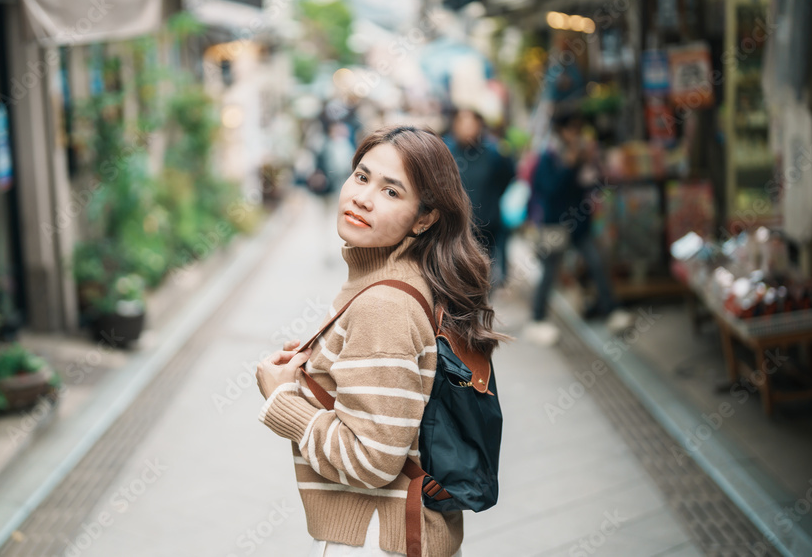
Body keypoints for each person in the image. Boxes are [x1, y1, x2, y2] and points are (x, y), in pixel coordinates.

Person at [255, 125, 510, 557]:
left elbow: (371, 460)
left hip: (380, 538)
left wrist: (282, 399)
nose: (363, 197)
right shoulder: (404, 279)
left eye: (392, 192)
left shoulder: (384, 304)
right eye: (361, 176)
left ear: (425, 217)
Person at [526, 109, 627, 344]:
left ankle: (611, 310)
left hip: (580, 224)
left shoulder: (583, 155)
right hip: (554, 225)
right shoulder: (548, 156)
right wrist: (568, 167)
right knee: (549, 273)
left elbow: (594, 184)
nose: (576, 134)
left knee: (597, 263)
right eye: (572, 128)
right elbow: (549, 189)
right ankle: (538, 318)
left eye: (578, 129)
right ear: (561, 131)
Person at [443, 108, 516, 287]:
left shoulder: (494, 153)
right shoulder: (445, 151)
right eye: (462, 123)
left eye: (471, 123)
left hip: (485, 225)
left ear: (480, 126)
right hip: (454, 227)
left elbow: (508, 176)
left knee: (481, 275)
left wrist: (493, 198)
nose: (467, 128)